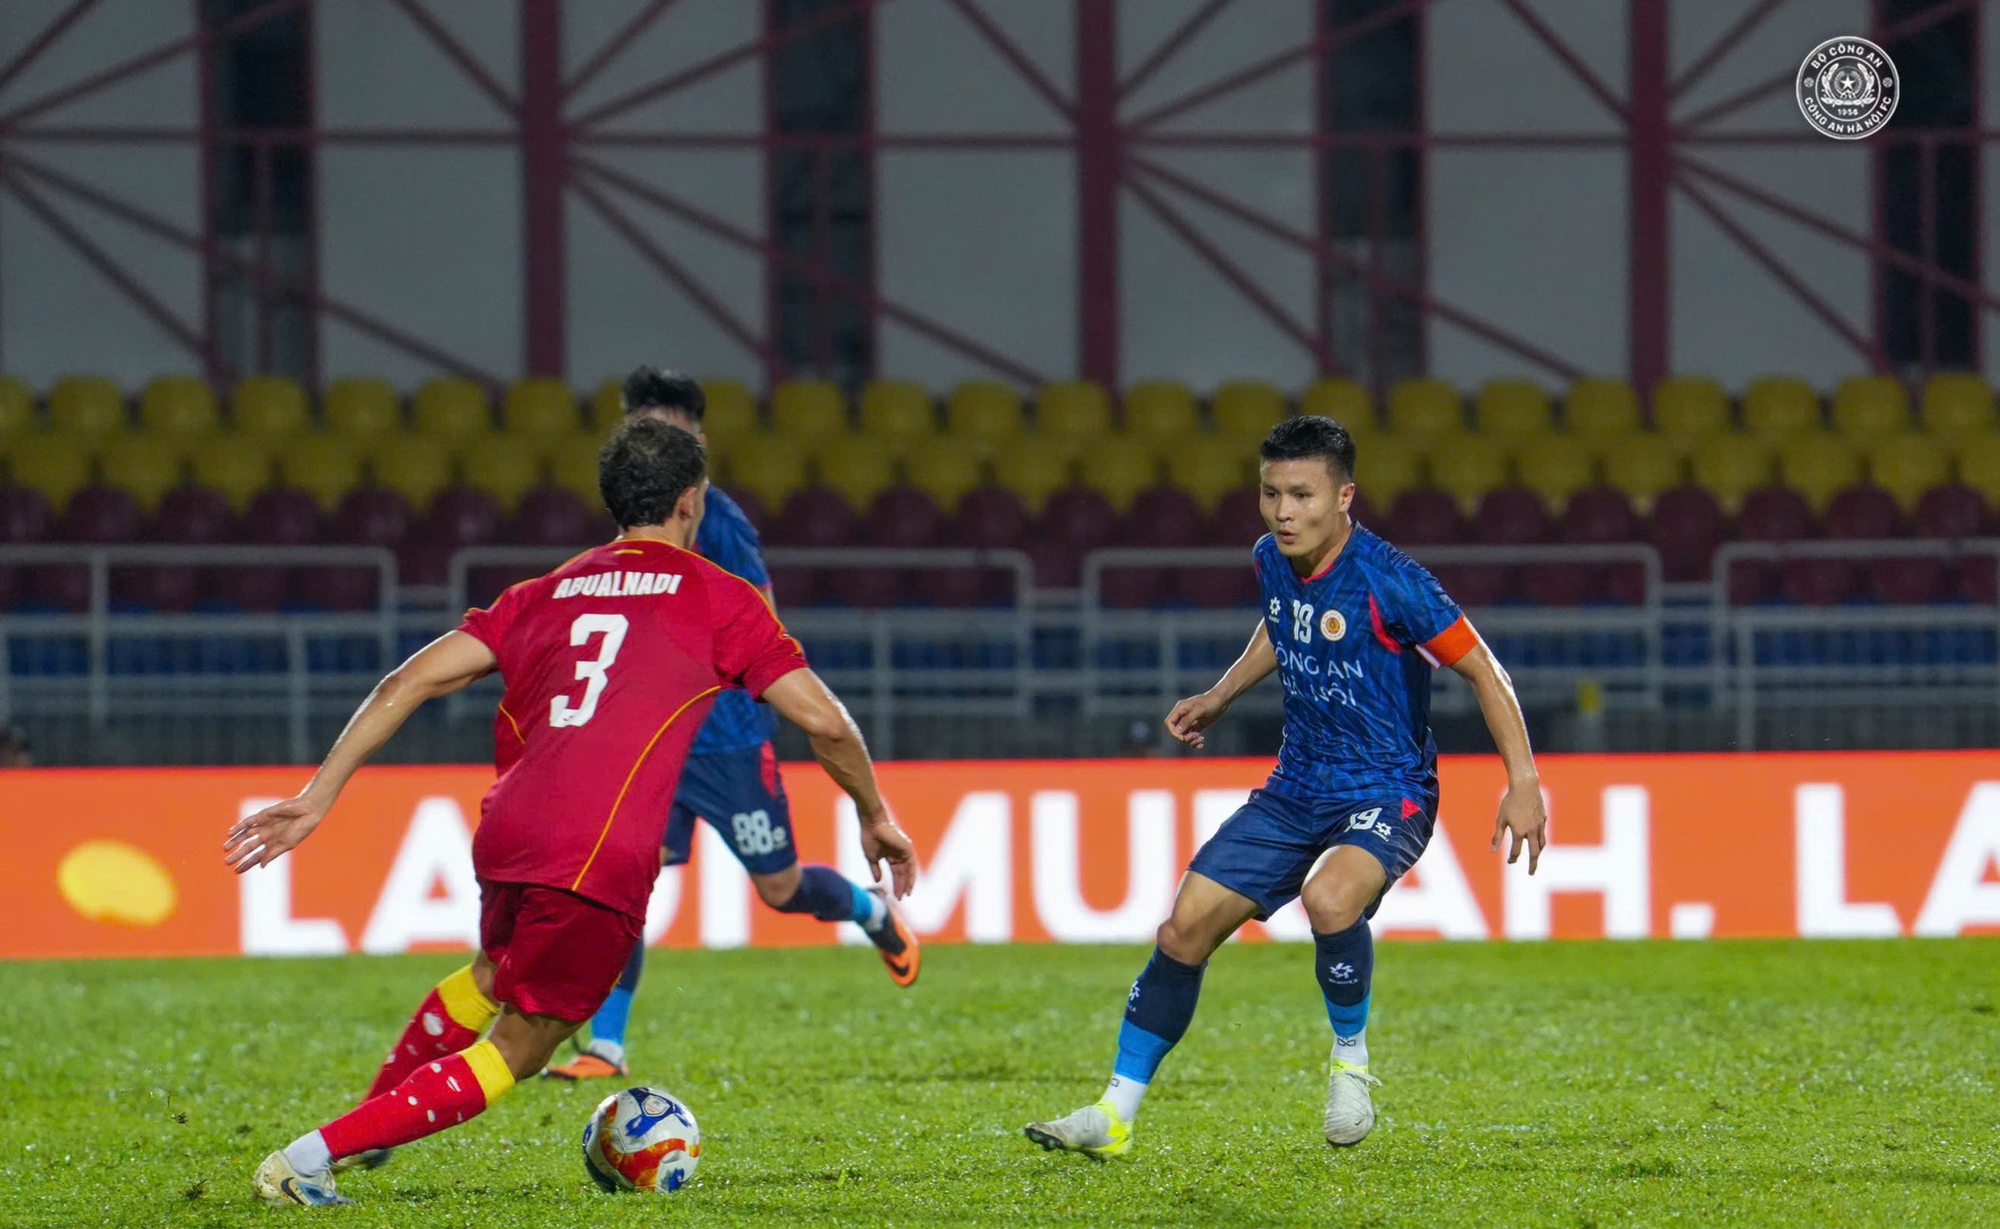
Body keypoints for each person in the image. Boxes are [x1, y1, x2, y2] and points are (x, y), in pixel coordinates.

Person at [228, 419, 918, 1207]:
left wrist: (317, 795)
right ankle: (307, 1159)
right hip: (598, 853)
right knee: (520, 1046)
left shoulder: (543, 591)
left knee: (492, 974)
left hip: (509, 830)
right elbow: (826, 722)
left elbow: (405, 683)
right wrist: (873, 812)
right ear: (691, 501)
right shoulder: (719, 598)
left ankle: (367, 1126)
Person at [1024, 414, 1546, 1157]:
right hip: (1295, 785)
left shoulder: (1393, 582)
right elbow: (1281, 623)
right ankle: (1113, 1115)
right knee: (1183, 929)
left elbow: (1482, 669)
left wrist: (1522, 781)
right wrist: (1220, 694)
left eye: (1301, 495)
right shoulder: (1272, 557)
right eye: (1270, 493)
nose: (1282, 511)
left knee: (1329, 899)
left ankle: (1351, 1064)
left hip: (1384, 786)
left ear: (1345, 498)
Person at [545, 368, 920, 1084]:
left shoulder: (720, 521)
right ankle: (607, 1045)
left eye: (666, 431)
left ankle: (870, 912)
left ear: (698, 441)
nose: (651, 445)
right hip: (654, 736)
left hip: (726, 737)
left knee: (778, 890)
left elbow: (762, 624)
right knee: (626, 876)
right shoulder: (635, 517)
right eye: (639, 431)